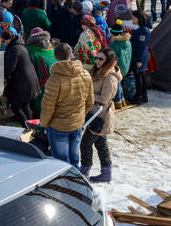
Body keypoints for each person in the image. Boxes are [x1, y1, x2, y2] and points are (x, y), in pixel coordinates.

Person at [38, 42, 93, 168]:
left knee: (62, 162)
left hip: (58, 127)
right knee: (74, 160)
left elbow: (47, 107)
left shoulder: (54, 80)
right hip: (77, 124)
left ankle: (67, 186)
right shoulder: (85, 73)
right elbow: (90, 101)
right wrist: (80, 116)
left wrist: (44, 124)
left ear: (55, 57)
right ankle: (76, 184)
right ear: (71, 54)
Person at [80, 49, 120, 182]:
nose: (97, 61)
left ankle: (84, 171)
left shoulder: (110, 77)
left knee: (85, 143)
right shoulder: (98, 71)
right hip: (94, 113)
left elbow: (104, 98)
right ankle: (106, 173)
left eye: (101, 59)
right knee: (101, 144)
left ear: (108, 61)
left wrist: (87, 93)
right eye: (97, 58)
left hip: (100, 116)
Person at [1, 26, 40, 123]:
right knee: (25, 105)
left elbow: (9, 68)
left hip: (23, 83)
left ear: (9, 39)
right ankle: (31, 129)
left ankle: (26, 127)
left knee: (15, 106)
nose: (3, 43)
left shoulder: (14, 49)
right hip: (28, 81)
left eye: (4, 41)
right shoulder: (19, 46)